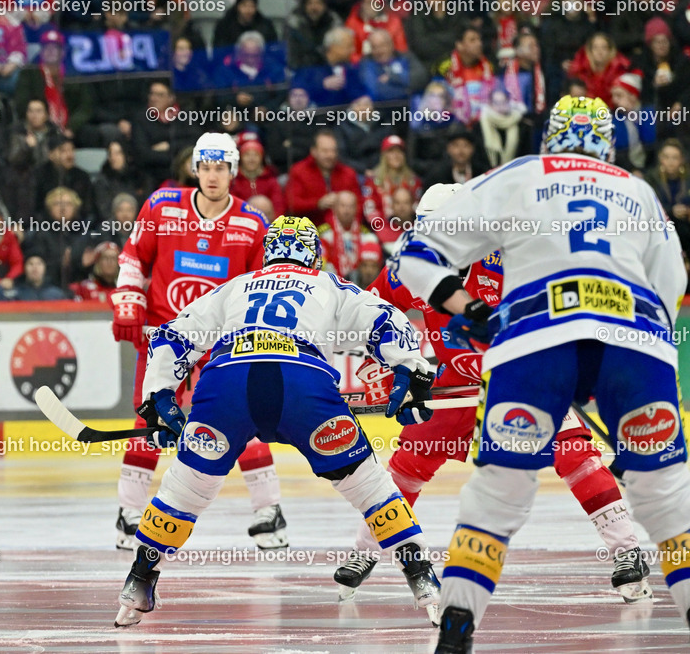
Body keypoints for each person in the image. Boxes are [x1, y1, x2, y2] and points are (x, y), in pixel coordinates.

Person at [393, 96, 690, 652]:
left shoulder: (520, 175)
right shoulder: (639, 190)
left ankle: (456, 629)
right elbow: (671, 290)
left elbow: (415, 254)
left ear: (550, 135)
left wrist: (467, 309)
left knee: (499, 494)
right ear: (610, 141)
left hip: (535, 341)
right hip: (635, 342)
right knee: (669, 500)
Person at [114, 215, 441, 627]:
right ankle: (422, 579)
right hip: (301, 384)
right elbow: (387, 321)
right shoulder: (330, 284)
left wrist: (157, 395)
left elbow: (171, 335)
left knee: (185, 491)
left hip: (226, 383)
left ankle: (138, 582)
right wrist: (412, 373)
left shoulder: (236, 285)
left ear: (269, 252)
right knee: (370, 488)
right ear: (314, 255)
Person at [338, 183, 652, 608]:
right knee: (408, 464)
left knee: (574, 453)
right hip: (453, 385)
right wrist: (388, 362)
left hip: (520, 380)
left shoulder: (509, 262)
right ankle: (363, 552)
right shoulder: (410, 267)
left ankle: (627, 550)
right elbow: (365, 310)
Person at [111, 132, 290, 551]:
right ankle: (129, 512)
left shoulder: (251, 224)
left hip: (222, 343)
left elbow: (263, 285)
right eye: (205, 167)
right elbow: (134, 255)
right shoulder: (161, 206)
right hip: (164, 336)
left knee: (243, 420)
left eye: (221, 168)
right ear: (195, 168)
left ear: (233, 171)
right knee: (149, 419)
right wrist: (129, 303)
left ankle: (269, 511)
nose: (212, 176)